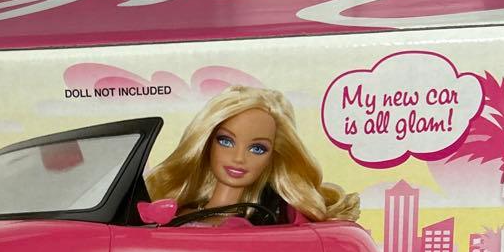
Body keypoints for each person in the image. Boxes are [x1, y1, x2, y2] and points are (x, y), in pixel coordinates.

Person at [145, 85, 359, 223]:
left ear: (272, 157)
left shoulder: (264, 222)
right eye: (226, 141)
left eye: (257, 149)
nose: (239, 158)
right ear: (207, 143)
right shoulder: (179, 213)